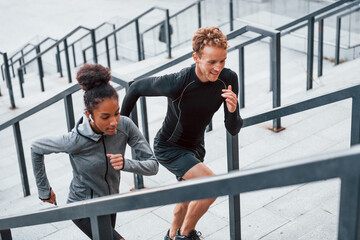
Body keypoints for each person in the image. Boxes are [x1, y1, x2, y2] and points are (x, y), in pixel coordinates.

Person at [120, 26, 243, 240]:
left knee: (185, 199)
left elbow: (232, 128)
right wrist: (121, 128)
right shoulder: (179, 81)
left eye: (222, 61)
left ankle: (171, 236)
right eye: (212, 62)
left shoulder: (228, 79)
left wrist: (233, 110)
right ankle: (186, 235)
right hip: (170, 147)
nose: (218, 68)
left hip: (196, 147)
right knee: (213, 186)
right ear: (196, 57)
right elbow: (135, 88)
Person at [31, 63, 159, 240]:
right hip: (83, 207)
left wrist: (126, 163)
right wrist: (44, 191)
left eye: (116, 113)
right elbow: (36, 147)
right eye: (105, 117)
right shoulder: (75, 140)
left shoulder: (125, 126)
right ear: (89, 113)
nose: (114, 122)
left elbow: (153, 166)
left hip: (110, 204)